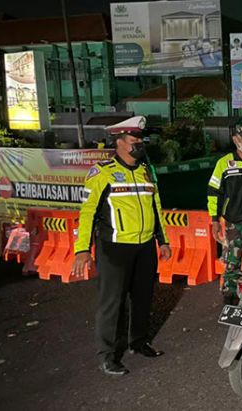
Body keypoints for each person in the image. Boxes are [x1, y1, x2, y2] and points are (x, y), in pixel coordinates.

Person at [71, 116, 171, 376]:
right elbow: (87, 212)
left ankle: (138, 342)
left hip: (145, 246)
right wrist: (82, 249)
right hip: (115, 249)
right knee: (112, 303)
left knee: (142, 299)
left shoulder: (146, 171)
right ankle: (107, 355)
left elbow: (155, 207)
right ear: (119, 142)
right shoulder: (102, 172)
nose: (139, 143)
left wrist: (163, 240)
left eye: (140, 138)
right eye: (133, 139)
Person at [207, 125, 242, 293]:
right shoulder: (224, 163)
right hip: (234, 223)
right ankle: (229, 297)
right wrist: (215, 219)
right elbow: (213, 192)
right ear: (235, 139)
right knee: (232, 264)